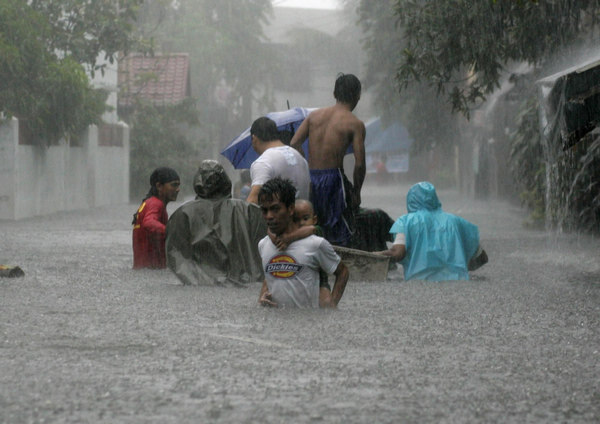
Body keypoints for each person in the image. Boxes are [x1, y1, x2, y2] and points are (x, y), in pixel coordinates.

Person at [290, 73, 366, 247]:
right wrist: (356, 192)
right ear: (358, 95)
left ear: (334, 94)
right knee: (340, 230)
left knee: (314, 224)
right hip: (334, 179)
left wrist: (307, 164)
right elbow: (360, 163)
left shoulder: (314, 116)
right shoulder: (354, 123)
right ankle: (339, 266)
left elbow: (294, 142)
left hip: (311, 178)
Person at [166, 160, 267, 285]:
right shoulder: (249, 210)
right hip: (246, 282)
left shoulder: (182, 213)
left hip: (200, 285)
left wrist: (200, 281)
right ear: (225, 181)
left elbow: (176, 256)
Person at [257, 178, 349, 308]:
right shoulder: (263, 245)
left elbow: (343, 271)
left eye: (275, 209)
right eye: (264, 210)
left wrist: (331, 305)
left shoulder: (315, 244)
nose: (269, 216)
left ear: (290, 209)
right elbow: (270, 278)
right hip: (274, 325)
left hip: (309, 324)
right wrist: (262, 297)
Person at [377, 181, 488, 281]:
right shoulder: (456, 222)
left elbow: (397, 253)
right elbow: (482, 257)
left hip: (418, 282)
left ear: (410, 201)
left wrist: (371, 256)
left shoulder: (406, 222)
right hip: (457, 282)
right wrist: (458, 266)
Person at [268, 199, 332, 304]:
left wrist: (288, 238)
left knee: (327, 304)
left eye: (305, 218)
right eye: (296, 220)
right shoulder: (287, 234)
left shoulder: (316, 232)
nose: (301, 223)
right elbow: (269, 229)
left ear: (314, 219)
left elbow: (311, 229)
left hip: (321, 282)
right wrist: (276, 240)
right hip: (294, 281)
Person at [246, 117, 310, 204]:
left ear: (254, 138)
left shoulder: (263, 162)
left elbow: (253, 202)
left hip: (281, 217)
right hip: (301, 213)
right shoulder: (301, 158)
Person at [132, 167, 180, 269]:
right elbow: (149, 222)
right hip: (151, 272)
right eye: (174, 185)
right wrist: (173, 231)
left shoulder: (149, 203)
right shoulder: (156, 204)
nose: (178, 189)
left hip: (143, 271)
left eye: (178, 185)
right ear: (159, 186)